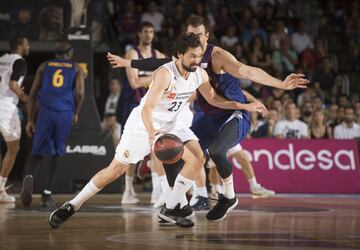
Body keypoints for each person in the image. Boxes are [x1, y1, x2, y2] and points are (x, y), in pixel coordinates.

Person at [49, 33, 262, 229]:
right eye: (191, 56)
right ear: (179, 54)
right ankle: (72, 205)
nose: (196, 61)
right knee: (115, 170)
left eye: (198, 56)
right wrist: (154, 134)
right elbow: (147, 109)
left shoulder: (199, 75)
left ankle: (171, 207)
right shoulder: (164, 74)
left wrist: (243, 106)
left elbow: (214, 99)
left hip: (172, 123)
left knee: (198, 158)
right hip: (143, 124)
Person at [108, 15, 308, 221]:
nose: (197, 40)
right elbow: (157, 62)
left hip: (234, 113)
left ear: (207, 36)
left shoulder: (217, 55)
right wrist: (127, 62)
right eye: (192, 36)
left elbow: (246, 71)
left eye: (200, 36)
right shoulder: (187, 55)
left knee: (217, 151)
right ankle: (175, 205)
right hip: (210, 114)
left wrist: (281, 84)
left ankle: (228, 196)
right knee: (173, 154)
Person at [20, 41, 84, 208]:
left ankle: (29, 177)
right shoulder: (76, 67)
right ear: (69, 54)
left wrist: (30, 120)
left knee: (37, 152)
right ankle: (46, 195)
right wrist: (75, 112)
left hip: (45, 112)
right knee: (57, 152)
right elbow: (80, 93)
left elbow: (33, 95)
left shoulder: (43, 66)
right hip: (64, 112)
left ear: (55, 53)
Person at [120, 21, 165, 205]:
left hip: (153, 108)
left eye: (151, 31)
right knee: (131, 151)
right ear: (139, 34)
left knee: (156, 147)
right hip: (133, 106)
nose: (148, 34)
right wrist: (156, 77)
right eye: (145, 31)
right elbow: (134, 83)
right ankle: (128, 191)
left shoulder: (160, 55)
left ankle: (156, 192)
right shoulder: (132, 54)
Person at [0, 37, 29, 203]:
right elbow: (12, 84)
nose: (28, 46)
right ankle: (1, 189)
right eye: (26, 44)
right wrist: (24, 97)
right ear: (19, 46)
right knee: (13, 148)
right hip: (6, 106)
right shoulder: (20, 62)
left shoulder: (2, 59)